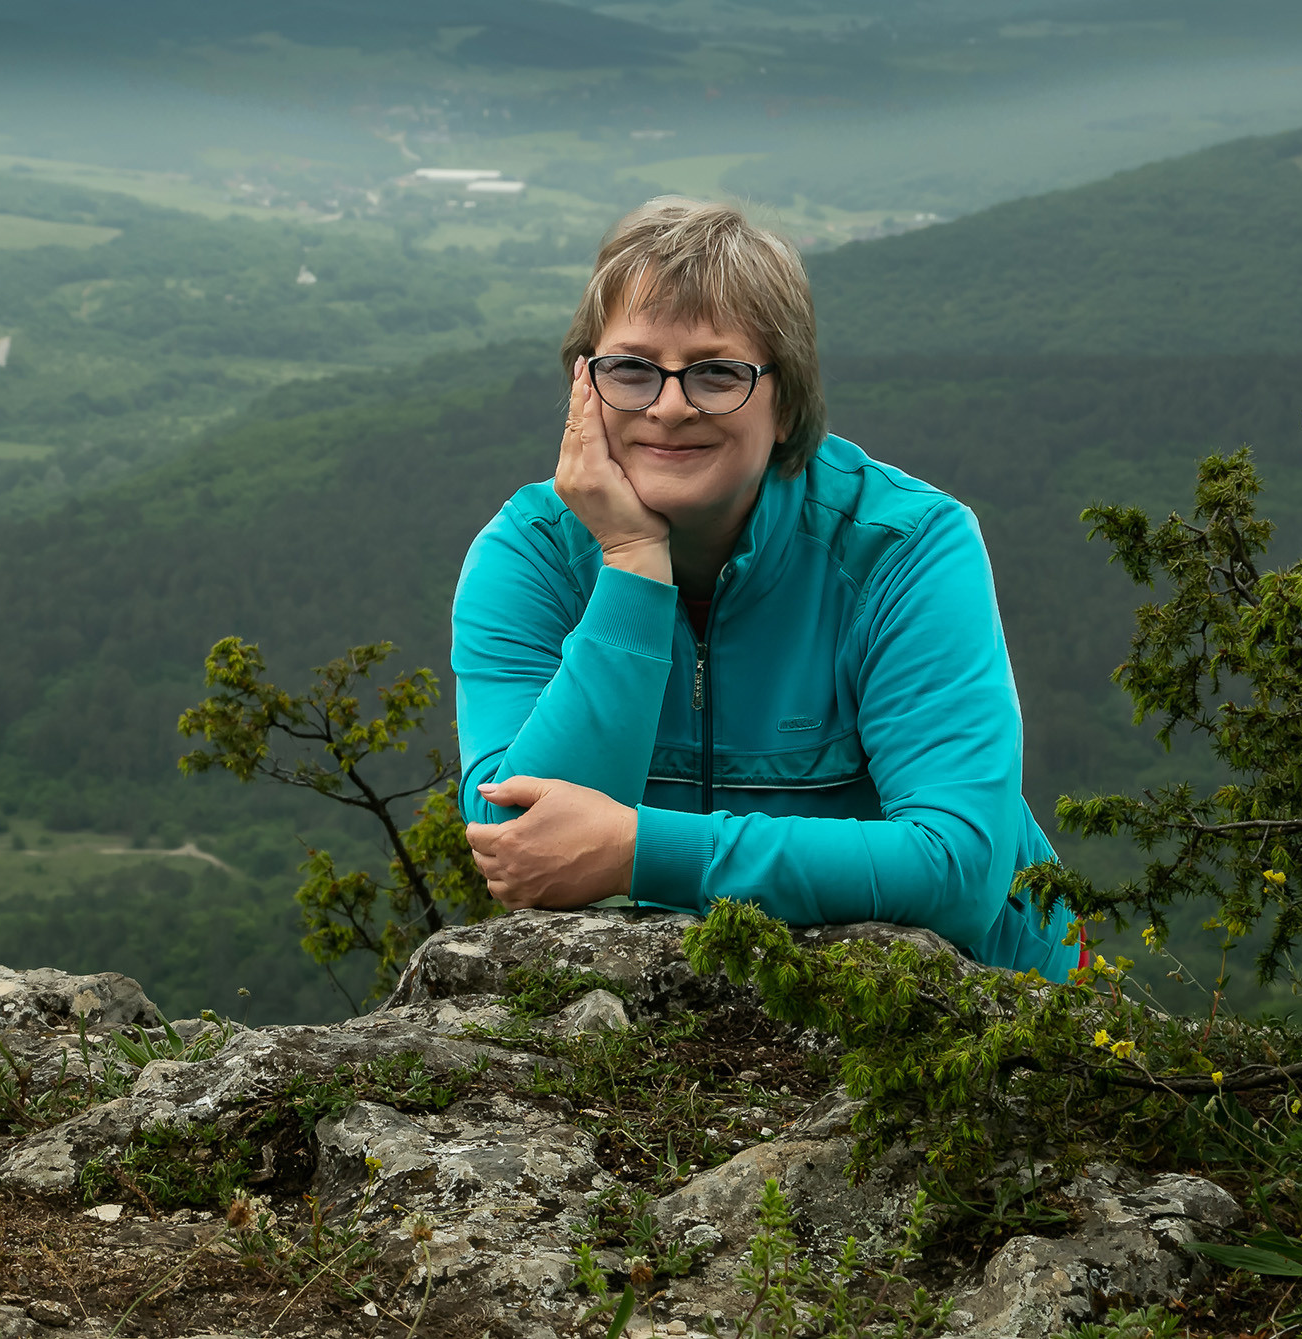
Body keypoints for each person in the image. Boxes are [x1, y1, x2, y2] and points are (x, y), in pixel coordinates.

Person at [453, 197, 1076, 980]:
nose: (670, 405)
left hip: (990, 1020)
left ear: (786, 401)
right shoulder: (532, 556)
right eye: (632, 369)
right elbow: (521, 842)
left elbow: (959, 867)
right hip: (694, 1027)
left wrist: (638, 850)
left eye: (717, 373)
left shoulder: (905, 547)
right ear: (586, 385)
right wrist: (632, 564)